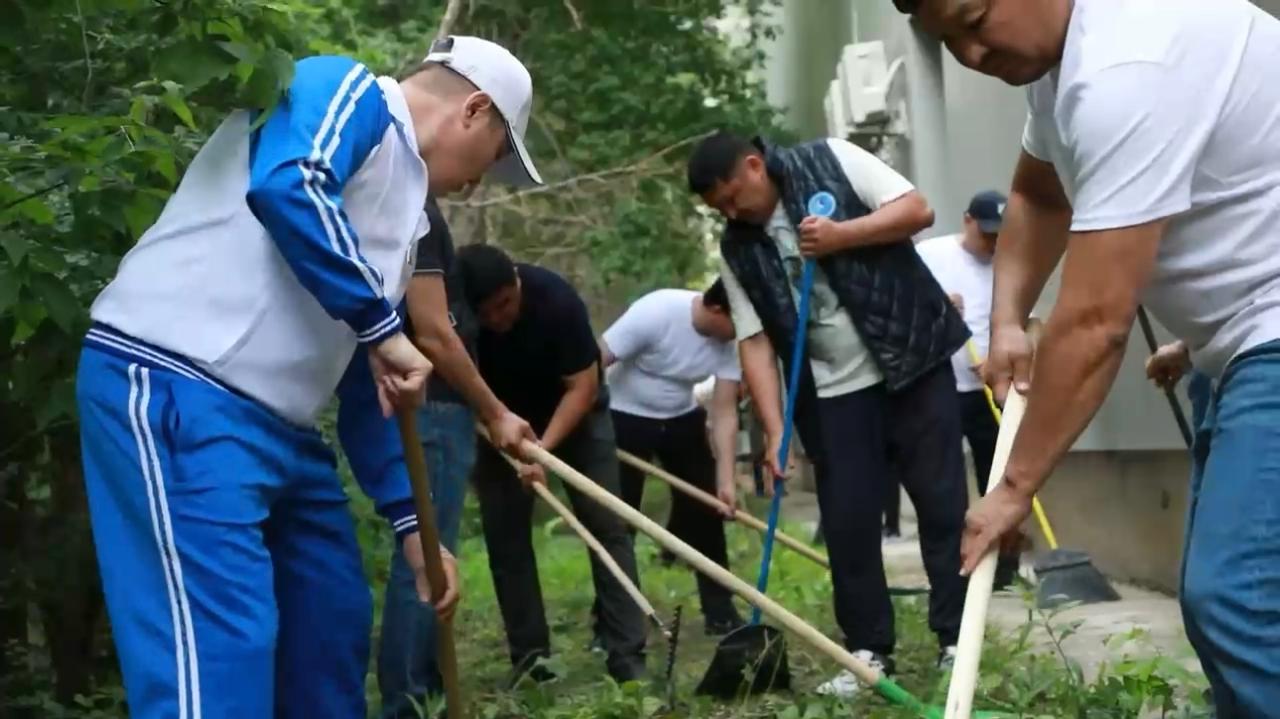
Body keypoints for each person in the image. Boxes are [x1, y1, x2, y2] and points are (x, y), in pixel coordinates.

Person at [75, 36, 542, 717]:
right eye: (495, 156)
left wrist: (413, 523)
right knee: (223, 649)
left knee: (329, 621)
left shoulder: (405, 223)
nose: (480, 181)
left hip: (283, 430)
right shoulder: (347, 92)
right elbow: (289, 182)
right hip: (176, 382)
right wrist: (382, 328)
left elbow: (369, 377)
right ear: (474, 109)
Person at [903, 0, 1280, 714]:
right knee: (1231, 605)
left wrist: (1014, 488)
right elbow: (1040, 194)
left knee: (1240, 599)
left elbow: (1096, 324)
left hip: (1269, 338)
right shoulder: (1064, 65)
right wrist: (1007, 321)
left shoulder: (1127, 65)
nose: (971, 56)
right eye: (946, 39)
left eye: (974, 21)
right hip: (1236, 346)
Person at [686, 130, 971, 697]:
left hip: (912, 359)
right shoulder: (738, 248)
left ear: (754, 166)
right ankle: (869, 653)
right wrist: (776, 429)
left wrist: (842, 235)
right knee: (847, 523)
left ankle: (956, 640)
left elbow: (917, 210)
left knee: (941, 506)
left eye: (731, 198)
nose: (730, 213)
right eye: (719, 209)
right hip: (833, 394)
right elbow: (754, 341)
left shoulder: (830, 159)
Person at [455, 244, 648, 685]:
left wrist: (541, 450)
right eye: (486, 313)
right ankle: (531, 661)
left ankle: (626, 653)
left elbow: (582, 386)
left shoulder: (556, 300)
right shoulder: (459, 320)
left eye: (505, 304)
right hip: (498, 423)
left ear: (516, 281)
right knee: (506, 537)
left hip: (576, 415)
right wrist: (505, 437)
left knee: (607, 525)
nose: (497, 319)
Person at [378, 196, 536, 716]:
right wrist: (495, 412)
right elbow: (434, 334)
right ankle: (409, 701)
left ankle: (421, 686)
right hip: (437, 411)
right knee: (426, 556)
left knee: (430, 553)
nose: (476, 181)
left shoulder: (415, 208)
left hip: (443, 413)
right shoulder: (411, 202)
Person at [599, 281, 745, 636]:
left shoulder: (732, 339)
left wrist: (725, 480)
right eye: (737, 324)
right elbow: (592, 362)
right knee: (619, 519)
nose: (741, 333)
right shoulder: (657, 312)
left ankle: (720, 612)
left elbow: (725, 412)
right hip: (623, 417)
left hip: (681, 418)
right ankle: (610, 624)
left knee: (707, 509)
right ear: (716, 309)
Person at [913, 190, 1019, 588]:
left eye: (1001, 235)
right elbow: (904, 312)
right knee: (945, 483)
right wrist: (936, 309)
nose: (993, 243)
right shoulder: (930, 256)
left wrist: (997, 363)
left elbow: (1023, 324)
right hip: (940, 387)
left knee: (1001, 477)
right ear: (967, 221)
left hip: (991, 391)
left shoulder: (1010, 266)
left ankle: (1003, 570)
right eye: (987, 233)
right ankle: (954, 568)